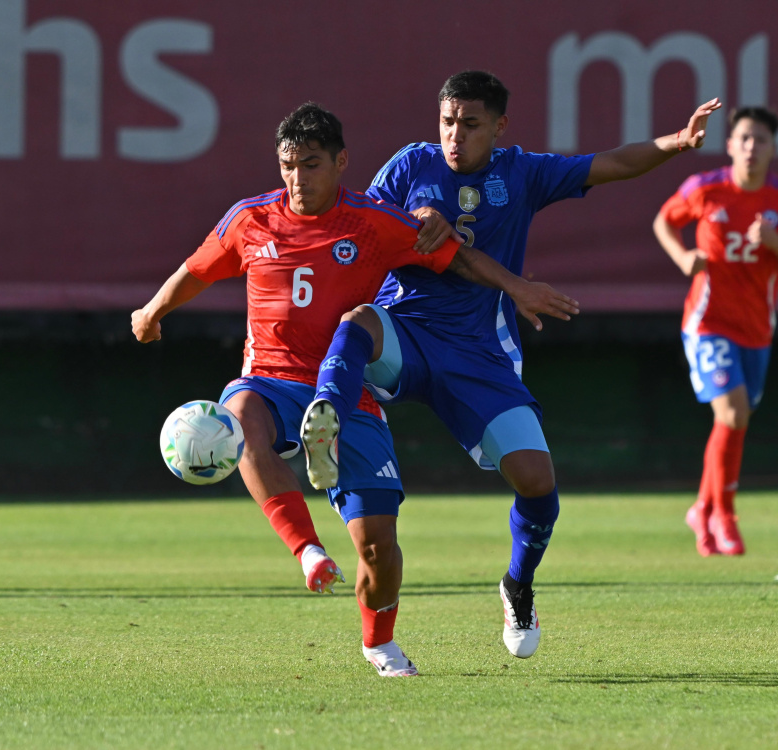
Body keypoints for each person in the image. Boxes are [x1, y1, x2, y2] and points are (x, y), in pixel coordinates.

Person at [131, 102, 577, 676]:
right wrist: (151, 311)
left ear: (341, 163)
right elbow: (197, 269)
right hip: (269, 377)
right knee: (238, 415)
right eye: (288, 165)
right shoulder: (251, 220)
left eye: (312, 165)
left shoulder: (372, 221)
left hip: (347, 392)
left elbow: (454, 258)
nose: (298, 178)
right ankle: (308, 550)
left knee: (378, 551)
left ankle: (379, 643)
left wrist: (514, 286)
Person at [300, 70, 721, 661]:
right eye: (448, 121)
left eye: (470, 125)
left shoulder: (521, 172)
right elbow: (367, 230)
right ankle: (328, 421)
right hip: (407, 329)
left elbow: (610, 164)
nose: (455, 136)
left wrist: (677, 142)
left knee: (538, 483)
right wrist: (412, 223)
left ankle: (518, 584)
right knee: (357, 324)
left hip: (478, 352)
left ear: (498, 127)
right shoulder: (408, 166)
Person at [653, 106, 778, 557]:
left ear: (773, 149)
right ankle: (724, 514)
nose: (751, 147)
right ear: (729, 145)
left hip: (756, 328)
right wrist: (684, 259)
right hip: (707, 322)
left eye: (760, 140)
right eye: (743, 138)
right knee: (733, 412)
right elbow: (664, 220)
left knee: (735, 421)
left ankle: (701, 508)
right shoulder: (707, 189)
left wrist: (776, 242)